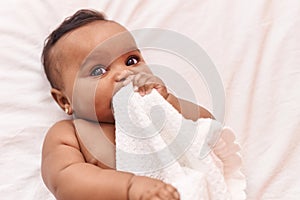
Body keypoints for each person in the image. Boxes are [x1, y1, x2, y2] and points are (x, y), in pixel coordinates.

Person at [41, 9, 214, 200]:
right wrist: (129, 187)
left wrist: (168, 103)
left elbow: (209, 129)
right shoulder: (70, 133)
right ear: (65, 101)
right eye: (98, 70)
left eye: (131, 61)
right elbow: (65, 181)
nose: (124, 74)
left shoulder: (157, 110)